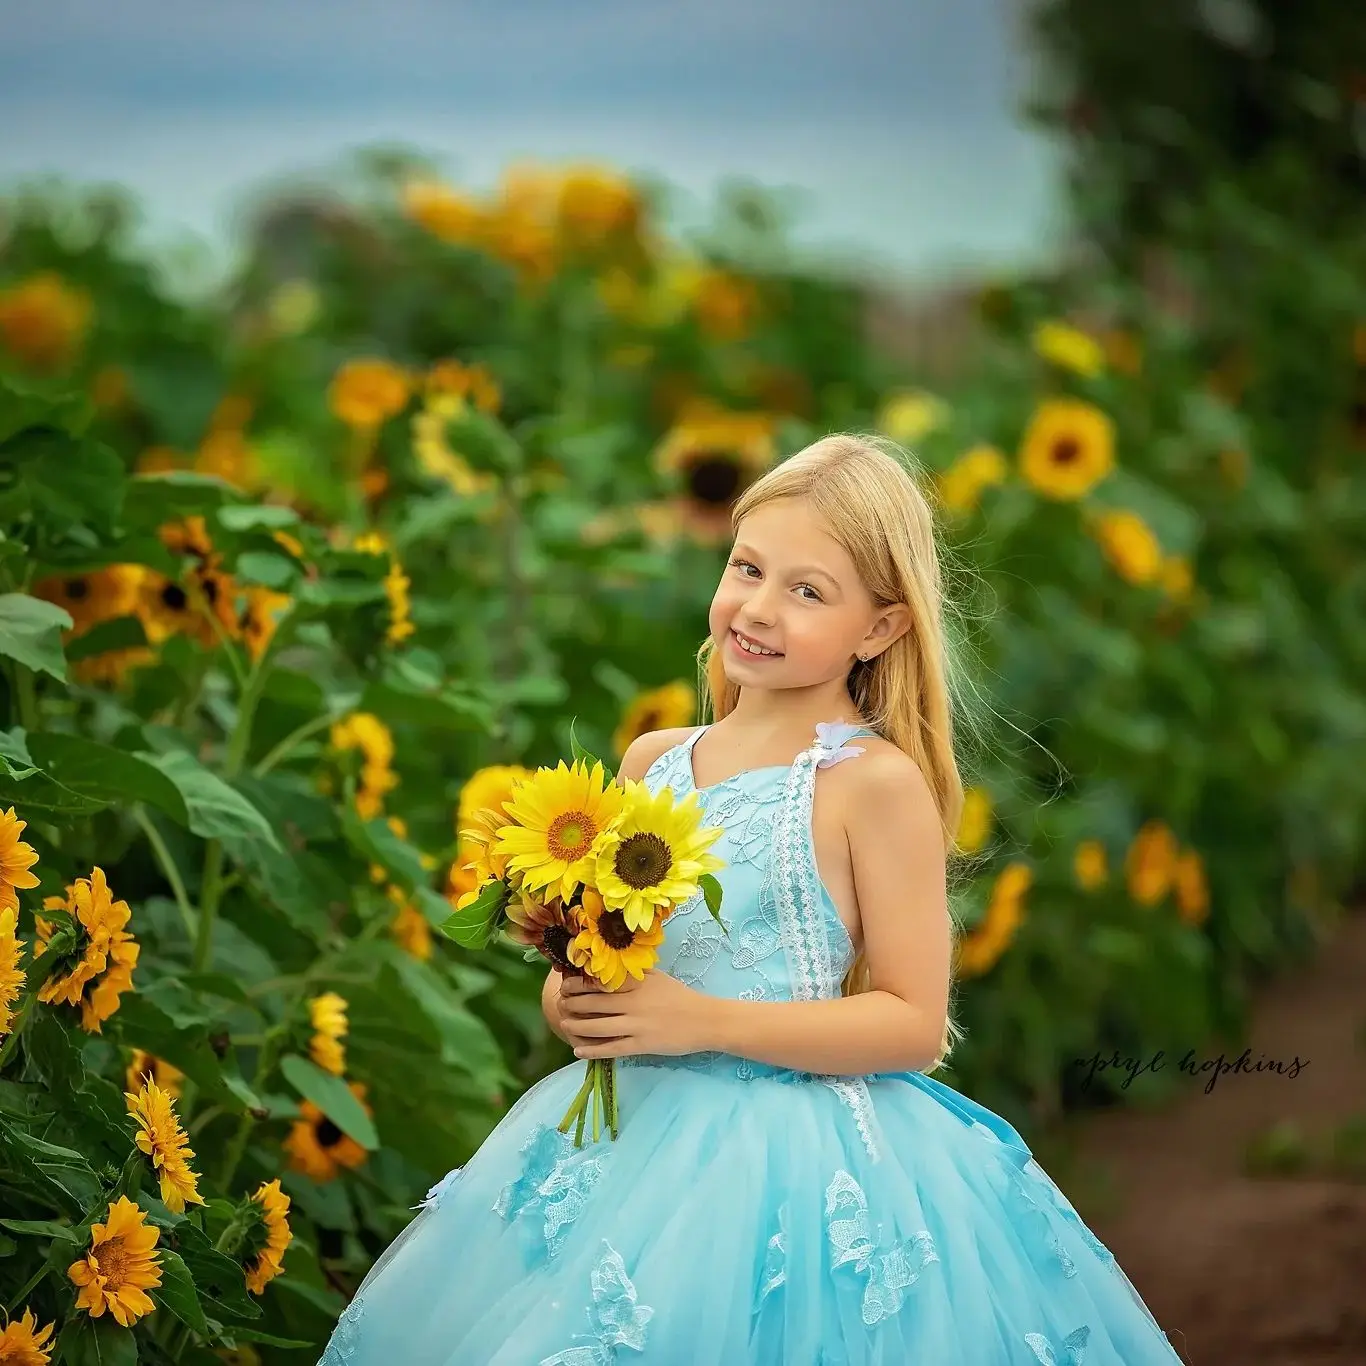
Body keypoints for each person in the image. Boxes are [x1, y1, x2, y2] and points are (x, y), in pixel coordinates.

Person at [317, 434, 1188, 1364]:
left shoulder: (871, 784)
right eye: (748, 567)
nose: (759, 608)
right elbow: (622, 956)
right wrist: (578, 999)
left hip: (803, 1165)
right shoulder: (656, 762)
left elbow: (910, 1023)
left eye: (808, 591)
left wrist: (697, 1019)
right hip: (630, 1147)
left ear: (881, 628)